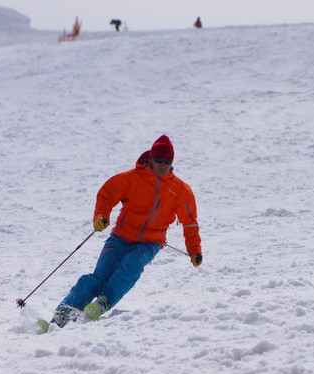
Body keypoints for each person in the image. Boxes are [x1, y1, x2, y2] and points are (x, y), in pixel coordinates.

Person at [40, 135, 203, 332]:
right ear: (150, 159)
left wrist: (194, 250)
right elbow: (107, 194)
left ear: (172, 163)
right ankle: (62, 315)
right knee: (98, 277)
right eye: (158, 160)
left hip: (150, 243)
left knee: (131, 265)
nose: (162, 165)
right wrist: (101, 216)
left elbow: (190, 223)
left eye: (166, 162)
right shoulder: (131, 178)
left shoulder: (181, 190)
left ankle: (102, 303)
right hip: (120, 237)